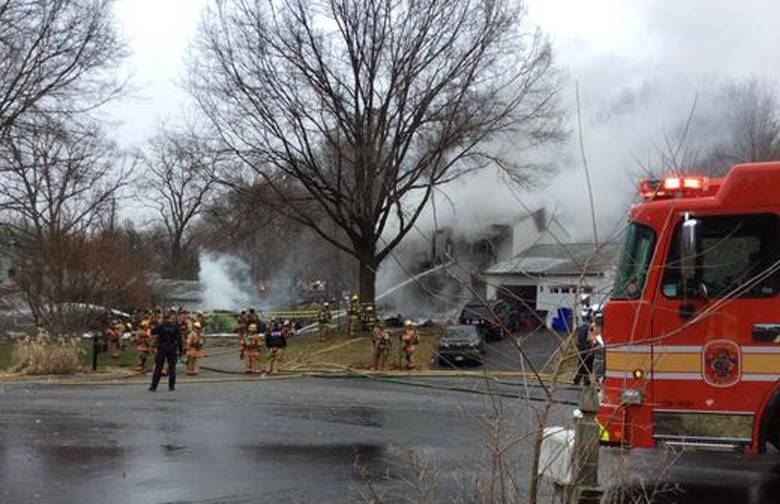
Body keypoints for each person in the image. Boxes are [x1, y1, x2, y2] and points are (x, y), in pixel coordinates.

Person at [149, 310, 185, 392]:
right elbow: (179, 340)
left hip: (162, 348)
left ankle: (154, 386)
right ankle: (171, 387)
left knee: (158, 367)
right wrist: (181, 350)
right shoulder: (175, 327)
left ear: (164, 319)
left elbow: (152, 332)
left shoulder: (161, 326)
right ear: (170, 318)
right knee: (172, 368)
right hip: (172, 348)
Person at [574, 294, 596, 386]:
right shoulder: (589, 328)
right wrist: (591, 347)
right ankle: (584, 380)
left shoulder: (584, 327)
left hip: (583, 349)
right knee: (587, 365)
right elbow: (590, 339)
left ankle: (578, 379)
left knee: (582, 364)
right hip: (586, 349)